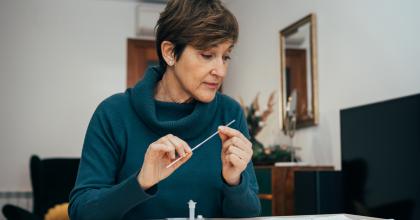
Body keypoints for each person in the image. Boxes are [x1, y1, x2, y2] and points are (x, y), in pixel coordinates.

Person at [68, 0, 261, 219]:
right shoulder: (113, 114)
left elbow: (251, 213)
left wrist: (234, 181)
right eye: (207, 55)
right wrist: (141, 182)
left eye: (225, 57)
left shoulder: (230, 114)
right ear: (170, 53)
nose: (221, 71)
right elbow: (80, 212)